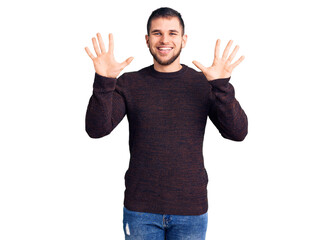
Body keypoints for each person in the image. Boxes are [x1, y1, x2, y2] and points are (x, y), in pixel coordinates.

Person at [84, 7, 248, 240]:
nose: (164, 40)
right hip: (140, 210)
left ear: (184, 39)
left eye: (172, 33)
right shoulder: (129, 83)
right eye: (157, 33)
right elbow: (97, 129)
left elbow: (238, 132)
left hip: (191, 210)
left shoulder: (204, 83)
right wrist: (104, 81)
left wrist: (221, 86)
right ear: (147, 39)